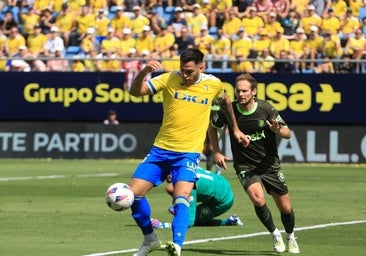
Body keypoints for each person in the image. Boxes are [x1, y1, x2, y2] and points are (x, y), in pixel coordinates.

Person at [127, 48, 249, 256]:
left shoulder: (213, 84)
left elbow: (227, 102)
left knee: (181, 196)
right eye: (182, 70)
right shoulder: (168, 79)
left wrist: (236, 129)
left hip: (188, 154)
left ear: (202, 67)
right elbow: (135, 92)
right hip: (160, 150)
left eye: (190, 71)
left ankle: (177, 245)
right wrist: (144, 71)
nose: (184, 75)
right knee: (132, 195)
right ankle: (149, 239)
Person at [208, 73, 300, 254]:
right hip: (245, 166)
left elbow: (288, 133)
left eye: (244, 91)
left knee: (286, 208)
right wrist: (217, 151)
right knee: (258, 198)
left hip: (269, 165)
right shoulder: (229, 109)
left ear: (253, 92)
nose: (240, 94)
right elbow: (212, 127)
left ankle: (290, 236)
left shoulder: (266, 108)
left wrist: (278, 129)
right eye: (238, 91)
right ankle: (275, 234)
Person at [151, 167, 243, 228]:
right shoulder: (187, 168)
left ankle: (229, 221)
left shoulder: (190, 185)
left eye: (167, 172)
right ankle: (181, 208)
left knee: (195, 220)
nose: (164, 176)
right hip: (221, 184)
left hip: (224, 200)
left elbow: (189, 222)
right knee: (172, 190)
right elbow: (170, 188)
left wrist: (161, 225)